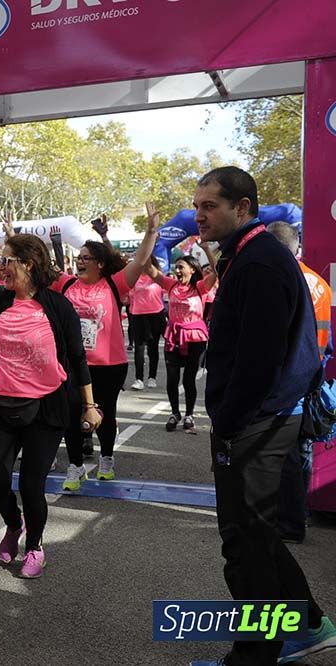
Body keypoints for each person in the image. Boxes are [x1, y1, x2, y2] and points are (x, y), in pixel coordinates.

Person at [189, 166, 335, 666]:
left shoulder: (260, 262)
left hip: (257, 425)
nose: (199, 214)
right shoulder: (250, 256)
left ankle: (253, 657)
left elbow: (259, 359)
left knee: (245, 547)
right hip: (262, 421)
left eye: (211, 206)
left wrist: (228, 423)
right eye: (197, 204)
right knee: (260, 538)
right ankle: (310, 625)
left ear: (244, 208)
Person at [0, 234, 101, 578]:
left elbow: (77, 358)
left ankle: (35, 546)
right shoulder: (0, 303)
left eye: (6, 261)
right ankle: (14, 525)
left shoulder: (57, 306)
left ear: (28, 264)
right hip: (1, 404)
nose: (1, 268)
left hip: (46, 407)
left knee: (32, 484)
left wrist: (90, 405)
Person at [55, 205, 159, 489]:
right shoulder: (66, 285)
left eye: (86, 258)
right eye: (78, 258)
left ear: (99, 263)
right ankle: (75, 466)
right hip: (75, 363)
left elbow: (139, 261)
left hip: (109, 364)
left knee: (105, 413)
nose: (79, 262)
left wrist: (150, 231)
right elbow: (37, 269)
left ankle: (107, 458)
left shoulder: (115, 284)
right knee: (72, 413)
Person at [267, 221, 332, 545]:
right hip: (313, 378)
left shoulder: (282, 280)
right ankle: (298, 515)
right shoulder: (321, 283)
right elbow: (327, 340)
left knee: (286, 457)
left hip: (287, 382)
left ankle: (289, 524)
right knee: (301, 452)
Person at [144, 248, 217, 432]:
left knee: (188, 380)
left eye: (181, 267)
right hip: (173, 337)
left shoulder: (200, 287)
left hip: (195, 338)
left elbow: (216, 272)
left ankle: (189, 415)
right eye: (176, 267)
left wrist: (207, 249)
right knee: (172, 378)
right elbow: (149, 270)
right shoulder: (171, 285)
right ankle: (174, 413)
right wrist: (150, 241)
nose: (177, 271)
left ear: (192, 269)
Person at [127, 258, 166, 391]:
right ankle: (138, 379)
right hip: (137, 315)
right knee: (139, 348)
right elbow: (127, 296)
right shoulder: (133, 278)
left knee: (153, 347)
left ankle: (152, 377)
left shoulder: (157, 277)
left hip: (155, 314)